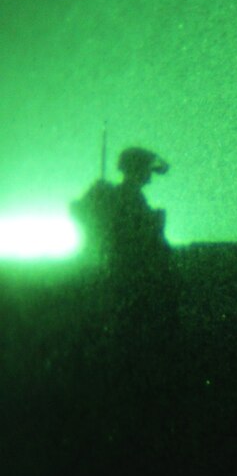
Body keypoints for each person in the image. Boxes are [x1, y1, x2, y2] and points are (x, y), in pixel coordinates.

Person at [70, 146, 178, 351]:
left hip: (122, 271)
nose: (150, 175)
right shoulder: (128, 198)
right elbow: (143, 238)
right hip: (129, 274)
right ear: (137, 169)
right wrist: (156, 222)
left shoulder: (123, 196)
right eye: (146, 168)